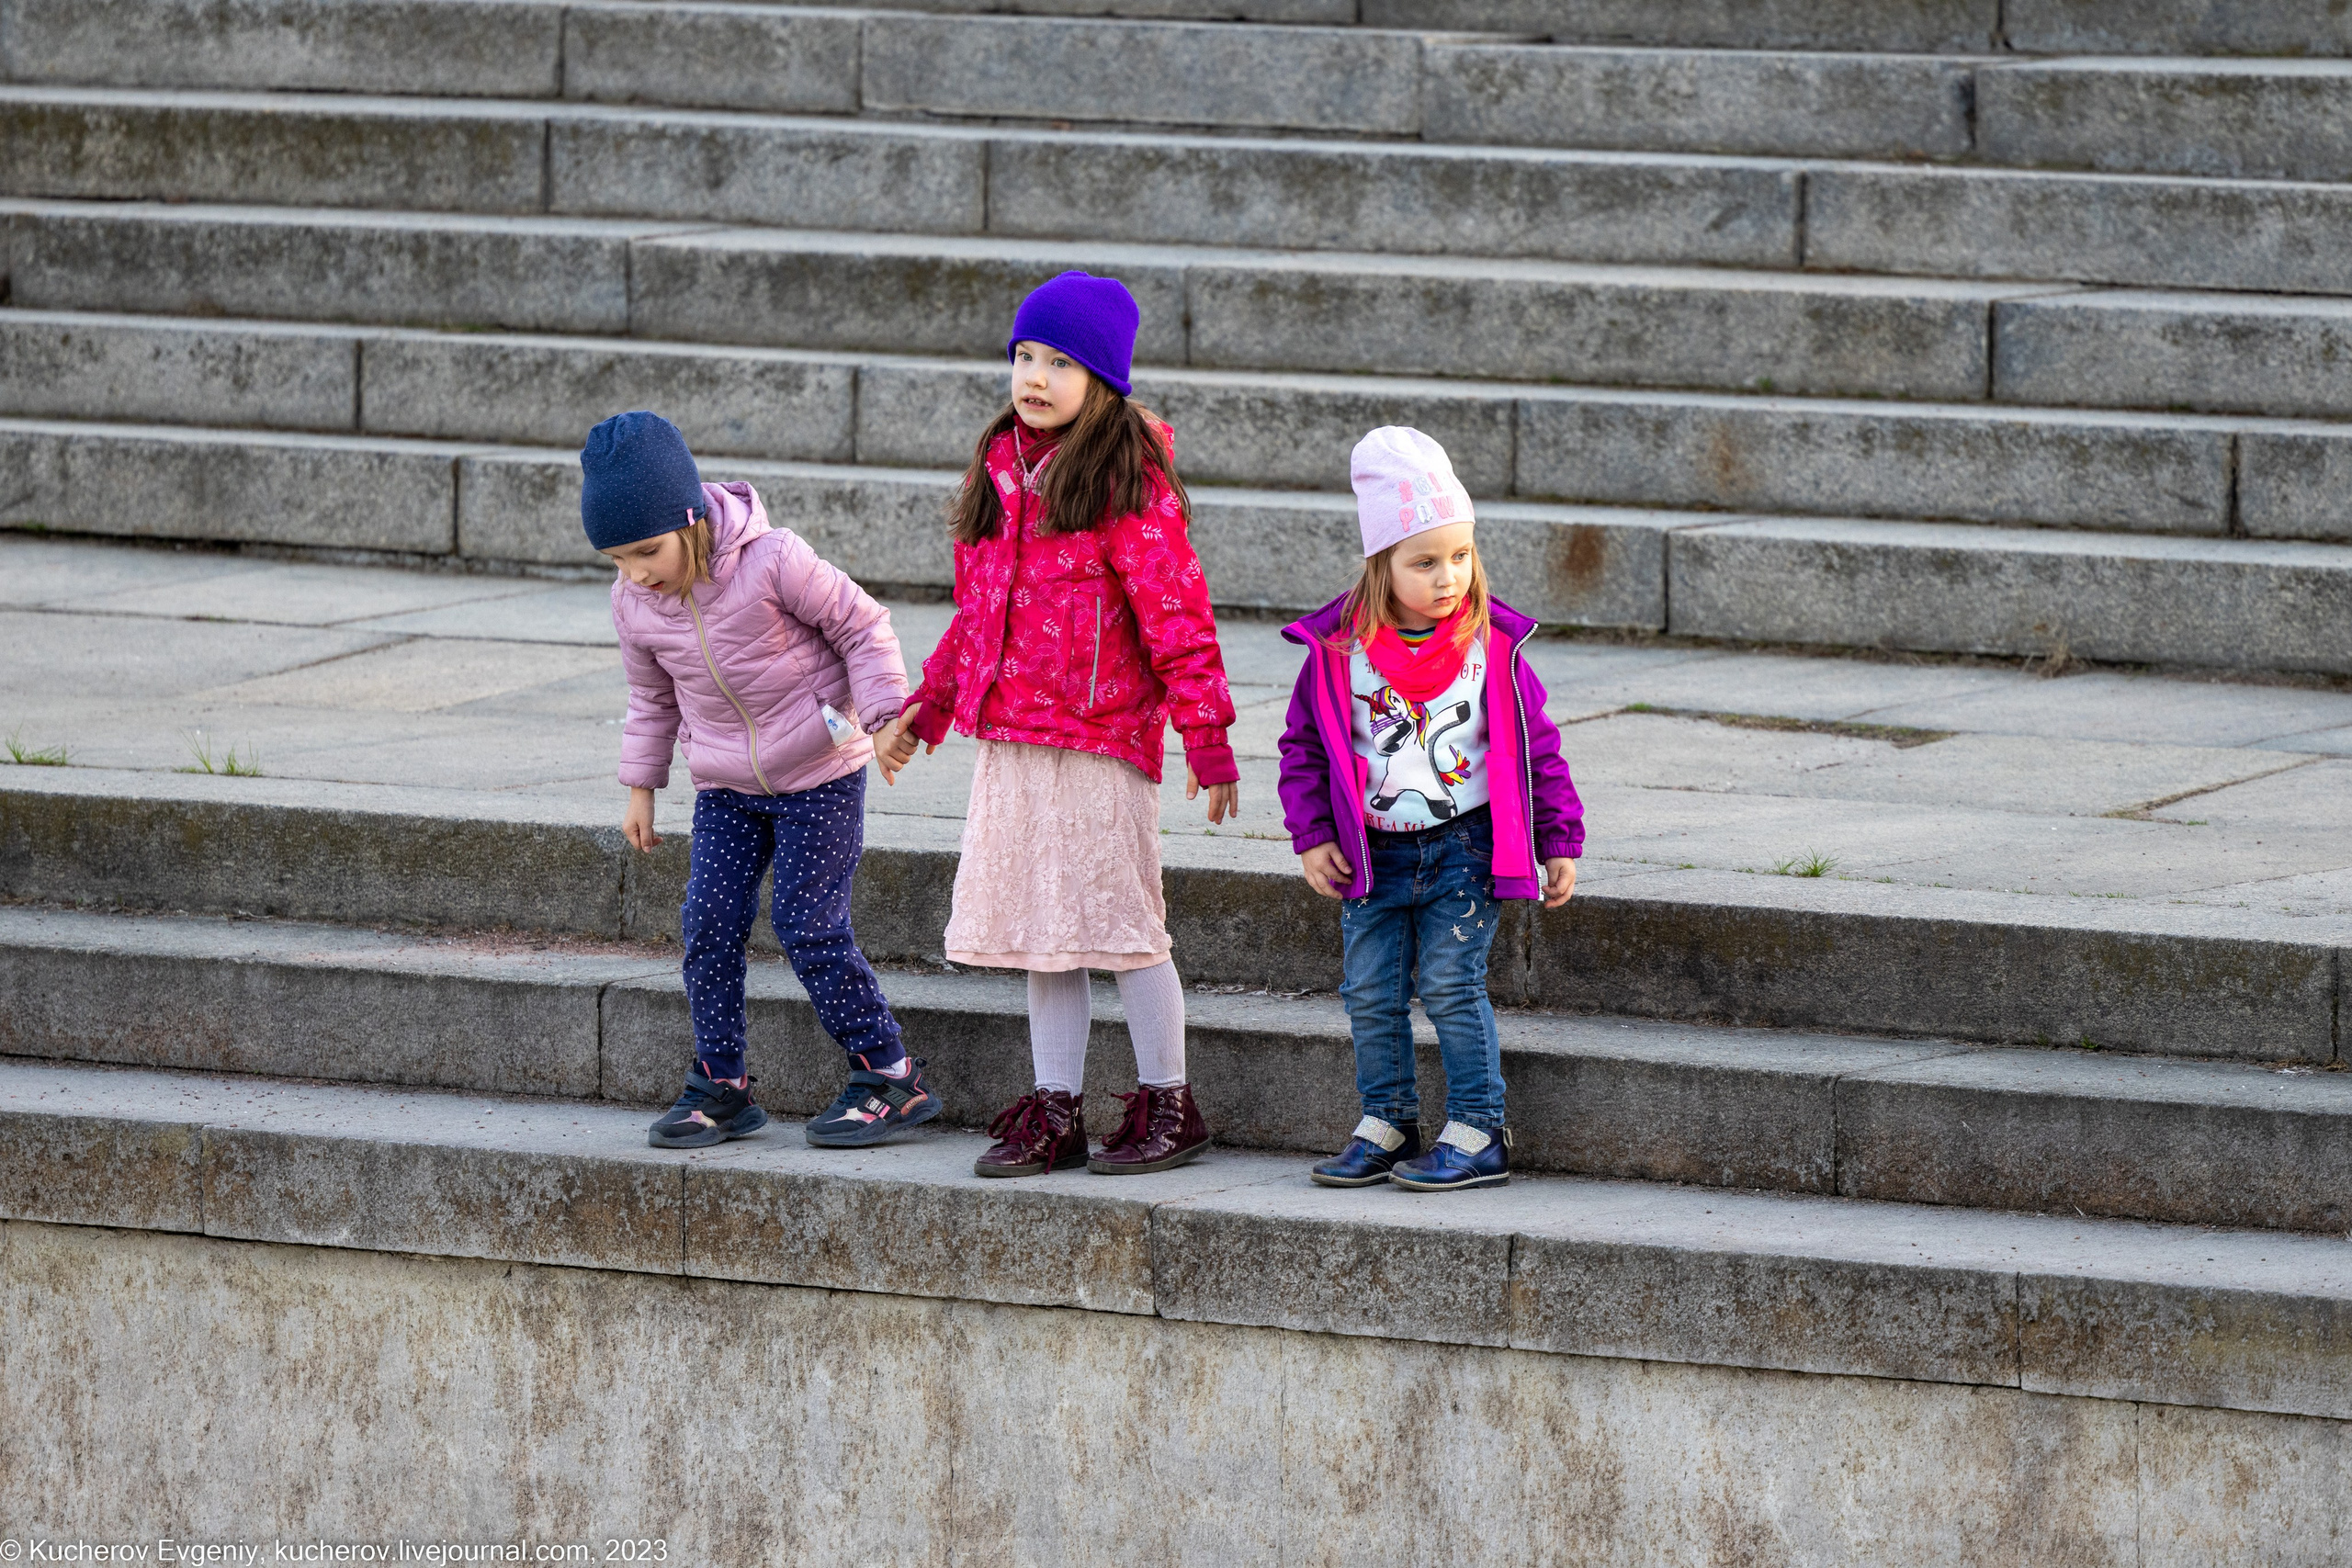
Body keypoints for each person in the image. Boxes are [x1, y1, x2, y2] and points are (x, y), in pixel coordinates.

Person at [876, 271, 1238, 1179]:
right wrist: (929, 706)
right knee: (1046, 930)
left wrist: (1206, 733)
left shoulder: (1125, 479)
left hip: (1100, 737)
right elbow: (976, 612)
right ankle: (1055, 1109)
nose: (1035, 377)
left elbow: (1176, 612)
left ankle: (1170, 1101)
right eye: (1026, 357)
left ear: (1102, 380)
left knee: (1124, 924)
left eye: (1061, 362)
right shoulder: (998, 468)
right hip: (1014, 737)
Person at [586, 410, 939, 1151]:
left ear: (689, 518)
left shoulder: (774, 559)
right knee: (707, 922)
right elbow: (651, 697)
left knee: (808, 922)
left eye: (647, 551)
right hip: (726, 787)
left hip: (819, 770)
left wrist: (884, 719)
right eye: (617, 559)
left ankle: (890, 1073)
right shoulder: (633, 602)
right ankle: (723, 1083)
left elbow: (863, 627)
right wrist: (641, 786)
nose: (637, 573)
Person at [1277, 427, 1584, 1192]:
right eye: (1424, 561)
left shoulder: (1491, 647)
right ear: (1381, 564)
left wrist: (1558, 837)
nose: (1448, 576)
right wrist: (1312, 834)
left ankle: (1479, 1128)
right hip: (1373, 853)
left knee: (1450, 982)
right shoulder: (1340, 653)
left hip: (1464, 849)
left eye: (1460, 555)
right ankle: (1388, 1121)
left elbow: (1539, 748)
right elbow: (1303, 748)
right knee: (1370, 990)